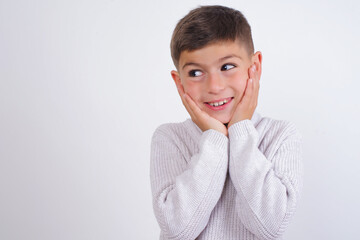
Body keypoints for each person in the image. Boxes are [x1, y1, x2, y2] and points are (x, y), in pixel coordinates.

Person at [150, 5, 303, 240]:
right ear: (178, 81)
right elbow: (179, 231)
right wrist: (215, 139)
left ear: (255, 67)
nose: (215, 87)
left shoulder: (280, 135)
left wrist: (240, 131)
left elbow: (270, 227)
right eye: (195, 73)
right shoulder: (170, 138)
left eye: (227, 67)